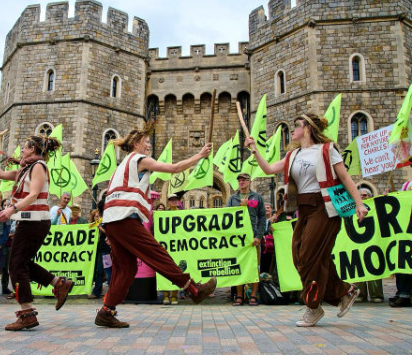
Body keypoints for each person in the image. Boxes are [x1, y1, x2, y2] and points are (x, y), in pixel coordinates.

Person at [246, 113, 367, 327]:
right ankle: (345, 291)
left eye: (297, 126)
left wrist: (359, 203)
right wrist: (255, 150)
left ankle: (313, 306)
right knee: (299, 255)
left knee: (310, 255)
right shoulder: (293, 154)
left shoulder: (327, 150)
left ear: (308, 128)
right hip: (303, 208)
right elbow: (268, 169)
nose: (292, 130)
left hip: (325, 208)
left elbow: (345, 177)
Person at [95, 124, 217, 328]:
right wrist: (200, 155)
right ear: (136, 144)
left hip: (112, 220)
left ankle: (106, 311)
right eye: (146, 142)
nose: (149, 145)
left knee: (126, 268)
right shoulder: (139, 159)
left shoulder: (123, 164)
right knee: (156, 253)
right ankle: (192, 289)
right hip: (124, 218)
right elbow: (174, 169)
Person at [0, 134, 74, 331]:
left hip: (35, 222)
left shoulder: (39, 167)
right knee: (22, 263)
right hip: (28, 222)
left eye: (25, 147)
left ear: (33, 149)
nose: (21, 149)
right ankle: (59, 283)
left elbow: (34, 194)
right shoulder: (24, 170)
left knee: (15, 265)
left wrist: (11, 209)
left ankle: (27, 313)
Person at [226, 173, 265, 306]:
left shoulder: (257, 197)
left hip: (253, 237)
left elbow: (262, 218)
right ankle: (239, 295)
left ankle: (253, 295)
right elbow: (227, 216)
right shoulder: (232, 198)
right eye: (239, 180)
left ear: (249, 182)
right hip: (238, 238)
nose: (241, 182)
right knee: (239, 266)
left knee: (255, 267)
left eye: (244, 180)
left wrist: (258, 236)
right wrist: (241, 207)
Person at [354, 188, 383, 303]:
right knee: (359, 267)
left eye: (365, 195)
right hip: (358, 243)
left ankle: (376, 294)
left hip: (373, 242)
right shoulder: (354, 209)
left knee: (374, 267)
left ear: (370, 196)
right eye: (360, 195)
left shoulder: (375, 208)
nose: (362, 197)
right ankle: (360, 294)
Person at [390, 180, 412, 307]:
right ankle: (402, 293)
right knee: (402, 258)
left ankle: (405, 293)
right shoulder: (406, 184)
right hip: (405, 228)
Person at [161, 193, 183, 305]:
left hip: (178, 246)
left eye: (175, 200)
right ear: (168, 201)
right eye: (171, 200)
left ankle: (174, 296)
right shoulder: (164, 214)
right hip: (167, 245)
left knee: (176, 270)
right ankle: (166, 295)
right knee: (166, 270)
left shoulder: (181, 213)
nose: (174, 202)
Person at [87, 204, 112, 299]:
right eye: (95, 216)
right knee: (99, 271)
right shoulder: (93, 225)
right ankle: (97, 291)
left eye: (98, 216)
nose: (97, 217)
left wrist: (100, 228)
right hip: (99, 250)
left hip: (105, 250)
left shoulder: (105, 222)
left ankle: (112, 292)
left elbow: (108, 232)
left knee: (107, 271)